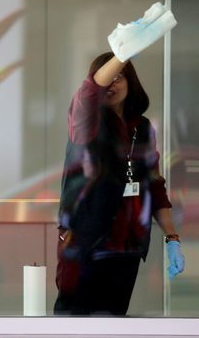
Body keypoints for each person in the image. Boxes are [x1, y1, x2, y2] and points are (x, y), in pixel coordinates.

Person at [54, 50, 185, 314]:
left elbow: (155, 185)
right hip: (85, 244)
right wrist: (123, 51)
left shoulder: (144, 128)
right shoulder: (87, 120)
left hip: (126, 247)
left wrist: (172, 238)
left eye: (120, 76)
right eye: (108, 77)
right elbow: (90, 90)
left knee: (114, 322)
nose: (112, 82)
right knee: (73, 323)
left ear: (131, 82)